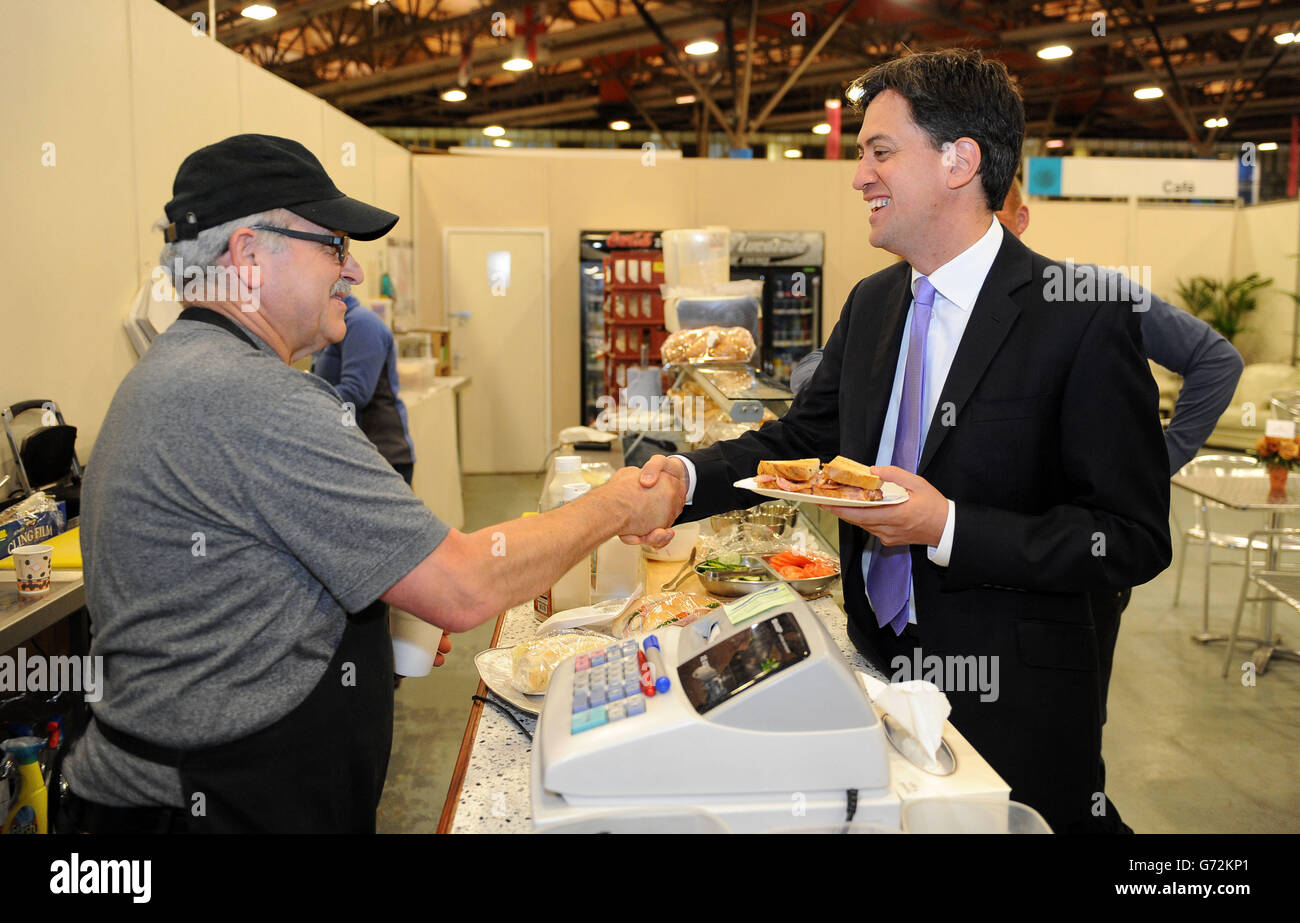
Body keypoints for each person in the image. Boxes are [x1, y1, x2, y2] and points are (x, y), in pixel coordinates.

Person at [59, 134, 685, 834]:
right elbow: (466, 583)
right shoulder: (255, 398)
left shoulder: (179, 369)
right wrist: (619, 502)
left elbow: (226, 605)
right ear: (247, 257)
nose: (354, 268)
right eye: (333, 244)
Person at [640, 49, 1171, 833]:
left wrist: (948, 526)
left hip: (1013, 704)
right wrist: (682, 478)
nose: (859, 175)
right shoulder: (875, 302)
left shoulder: (1081, 319)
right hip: (874, 663)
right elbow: (800, 441)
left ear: (961, 161)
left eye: (880, 151)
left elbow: (1130, 536)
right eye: (862, 153)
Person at [792, 180, 1244, 721]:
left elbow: (1215, 361)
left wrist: (1158, 460)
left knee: (1054, 736)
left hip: (1048, 607)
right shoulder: (895, 296)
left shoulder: (1085, 300)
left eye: (991, 216)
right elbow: (821, 375)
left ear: (1018, 218)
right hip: (902, 627)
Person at [313, 295, 415, 485]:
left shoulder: (361, 324)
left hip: (381, 451)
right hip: (355, 450)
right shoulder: (336, 323)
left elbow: (355, 393)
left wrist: (307, 402)